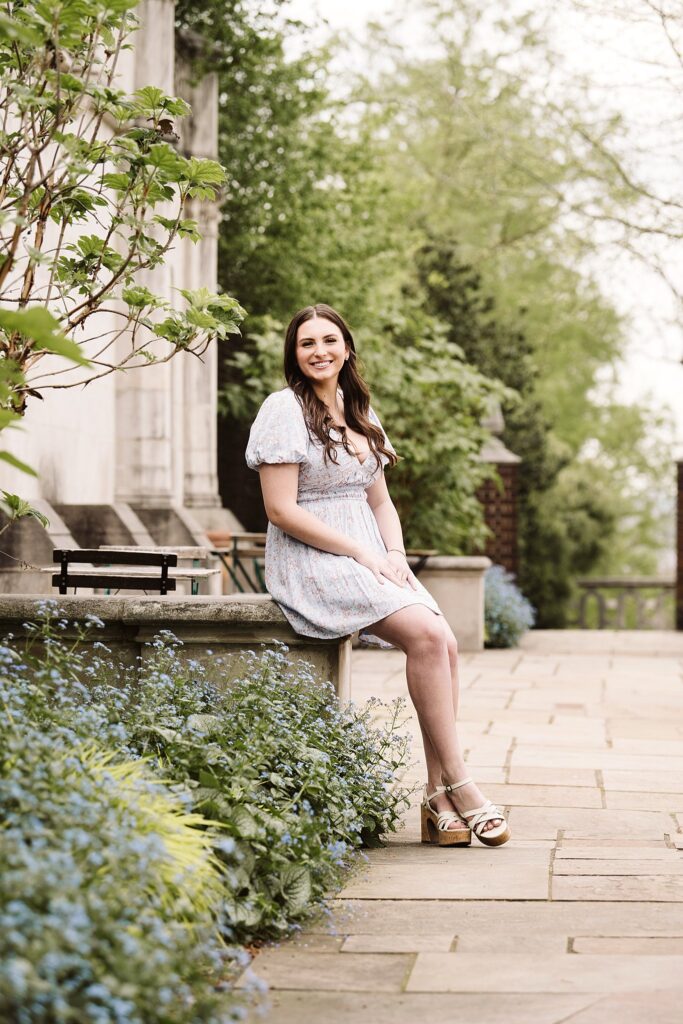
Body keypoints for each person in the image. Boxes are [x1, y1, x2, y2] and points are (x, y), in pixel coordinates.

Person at [245, 303, 510, 847]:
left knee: (445, 643)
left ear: (347, 348)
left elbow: (381, 502)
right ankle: (461, 785)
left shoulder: (359, 410)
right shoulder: (283, 409)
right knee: (430, 634)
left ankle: (438, 799)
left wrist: (393, 554)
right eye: (306, 343)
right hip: (311, 556)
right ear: (294, 355)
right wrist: (361, 555)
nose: (319, 351)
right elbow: (280, 510)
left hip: (370, 552)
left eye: (329, 340)